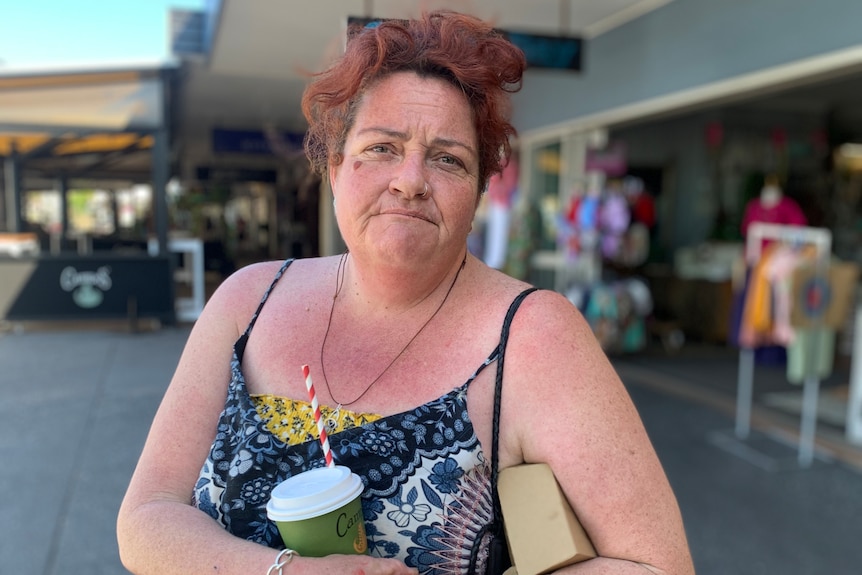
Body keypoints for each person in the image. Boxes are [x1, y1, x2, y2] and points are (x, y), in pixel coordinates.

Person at [117, 11, 694, 575]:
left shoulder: (534, 336)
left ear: (479, 190)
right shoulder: (249, 299)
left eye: (448, 158)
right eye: (382, 147)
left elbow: (656, 563)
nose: (411, 181)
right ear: (335, 165)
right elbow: (147, 518)